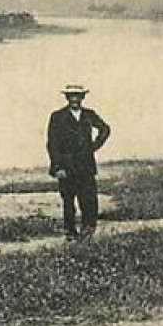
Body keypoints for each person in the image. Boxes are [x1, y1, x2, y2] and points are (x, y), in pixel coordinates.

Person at [46, 83, 112, 241]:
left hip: (86, 167)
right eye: (71, 96)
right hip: (66, 167)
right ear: (67, 98)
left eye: (77, 96)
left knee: (89, 201)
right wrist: (57, 167)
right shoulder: (57, 116)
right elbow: (52, 144)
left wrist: (93, 147)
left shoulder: (89, 115)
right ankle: (70, 234)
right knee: (68, 203)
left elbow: (105, 129)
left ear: (83, 97)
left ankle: (87, 233)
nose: (74, 99)